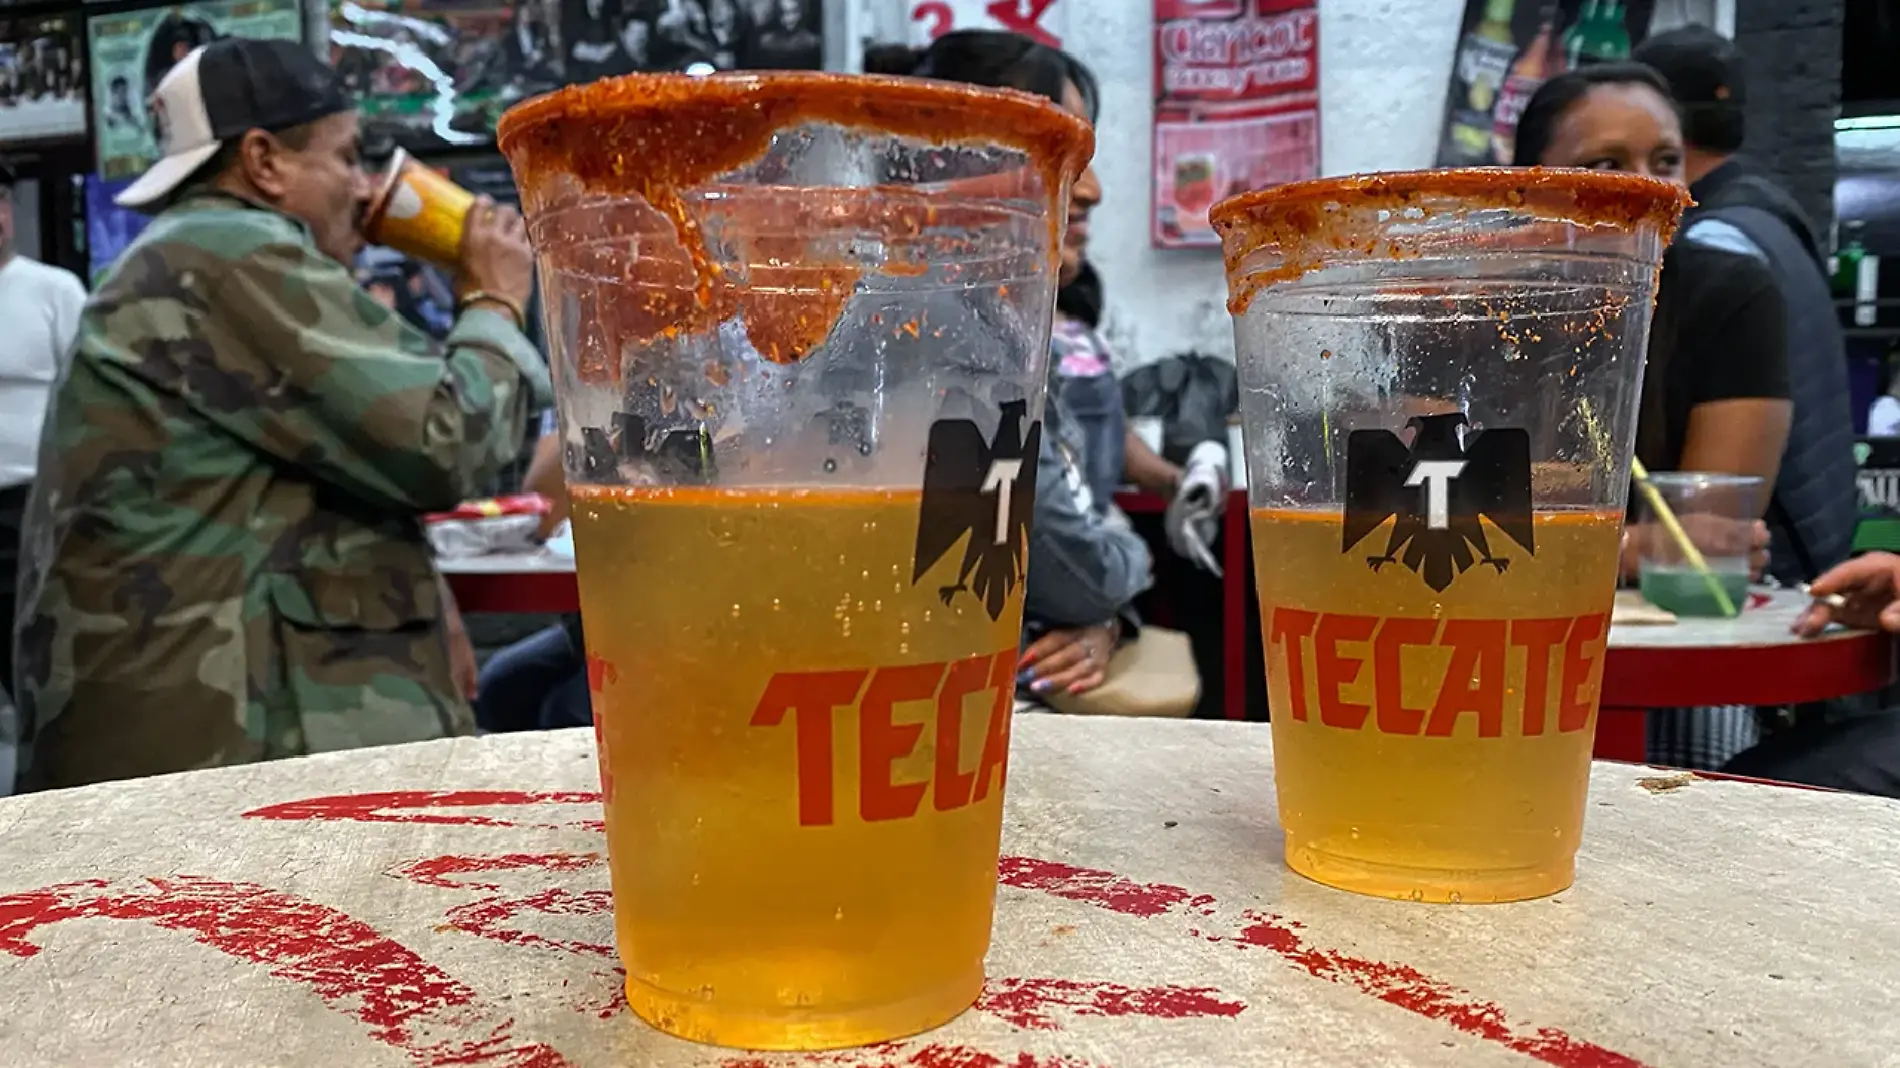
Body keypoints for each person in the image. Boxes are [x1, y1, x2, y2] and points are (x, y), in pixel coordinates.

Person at [10, 39, 551, 791]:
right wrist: (491, 294)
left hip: (174, 731)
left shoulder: (191, 252)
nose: (364, 188)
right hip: (212, 749)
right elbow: (449, 444)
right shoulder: (231, 250)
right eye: (347, 157)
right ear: (264, 162)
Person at [864, 32, 1211, 699]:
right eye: (1060, 149)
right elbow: (1069, 568)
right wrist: (1126, 573)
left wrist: (1106, 614)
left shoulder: (968, 316)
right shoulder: (951, 325)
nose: (1095, 191)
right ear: (956, 159)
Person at [1513, 62, 1790, 769]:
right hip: (1502, 636)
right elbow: (1440, 523)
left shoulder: (1729, 293)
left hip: (1667, 656)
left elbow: (1705, 542)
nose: (1649, 189)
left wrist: (1586, 551)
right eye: (1606, 164)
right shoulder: (1470, 303)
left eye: (1665, 162)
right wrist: (1633, 551)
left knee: (1700, 762)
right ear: (1531, 183)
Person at [1635, 26, 1857, 589]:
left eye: (1658, 159)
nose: (1637, 186)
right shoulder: (1769, 213)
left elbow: (1705, 527)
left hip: (1756, 564)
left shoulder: (1711, 254)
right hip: (1814, 538)